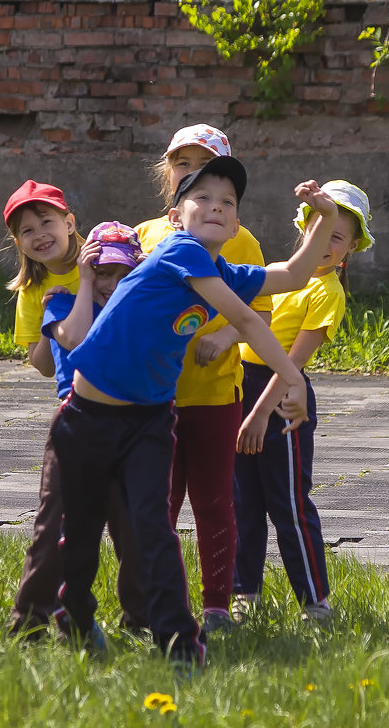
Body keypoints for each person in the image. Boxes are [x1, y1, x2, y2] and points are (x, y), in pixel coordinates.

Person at [52, 156, 338, 670]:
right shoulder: (178, 251)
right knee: (84, 532)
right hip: (88, 413)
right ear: (175, 214)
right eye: (202, 197)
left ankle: (180, 644)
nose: (216, 207)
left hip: (150, 419)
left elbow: (293, 274)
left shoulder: (220, 269)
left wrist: (323, 218)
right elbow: (246, 320)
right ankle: (72, 616)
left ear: (236, 222)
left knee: (152, 528)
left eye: (228, 202)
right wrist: (291, 379)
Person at [135, 124, 272, 635]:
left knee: (215, 499)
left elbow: (260, 312)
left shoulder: (240, 239)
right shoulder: (146, 235)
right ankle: (155, 598)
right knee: (157, 500)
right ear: (166, 175)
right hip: (155, 395)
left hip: (215, 394)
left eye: (204, 166)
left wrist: (231, 338)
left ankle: (218, 604)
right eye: (182, 166)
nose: (191, 174)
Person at [2, 181, 147, 636]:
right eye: (27, 230)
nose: (40, 235)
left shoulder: (111, 255)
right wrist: (54, 325)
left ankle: (142, 617)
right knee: (55, 522)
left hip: (131, 407)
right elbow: (43, 363)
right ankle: (30, 621)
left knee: (134, 520)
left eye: (47, 222)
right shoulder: (37, 291)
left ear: (69, 223)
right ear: (19, 243)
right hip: (77, 411)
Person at [232, 180, 375, 624]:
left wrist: (259, 414)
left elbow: (293, 363)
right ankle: (243, 595)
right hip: (238, 387)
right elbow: (243, 326)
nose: (326, 243)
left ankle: (316, 603)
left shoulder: (327, 293)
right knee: (242, 502)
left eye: (337, 236)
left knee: (288, 503)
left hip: (283, 398)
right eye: (319, 228)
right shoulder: (277, 274)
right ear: (304, 230)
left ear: (350, 248)